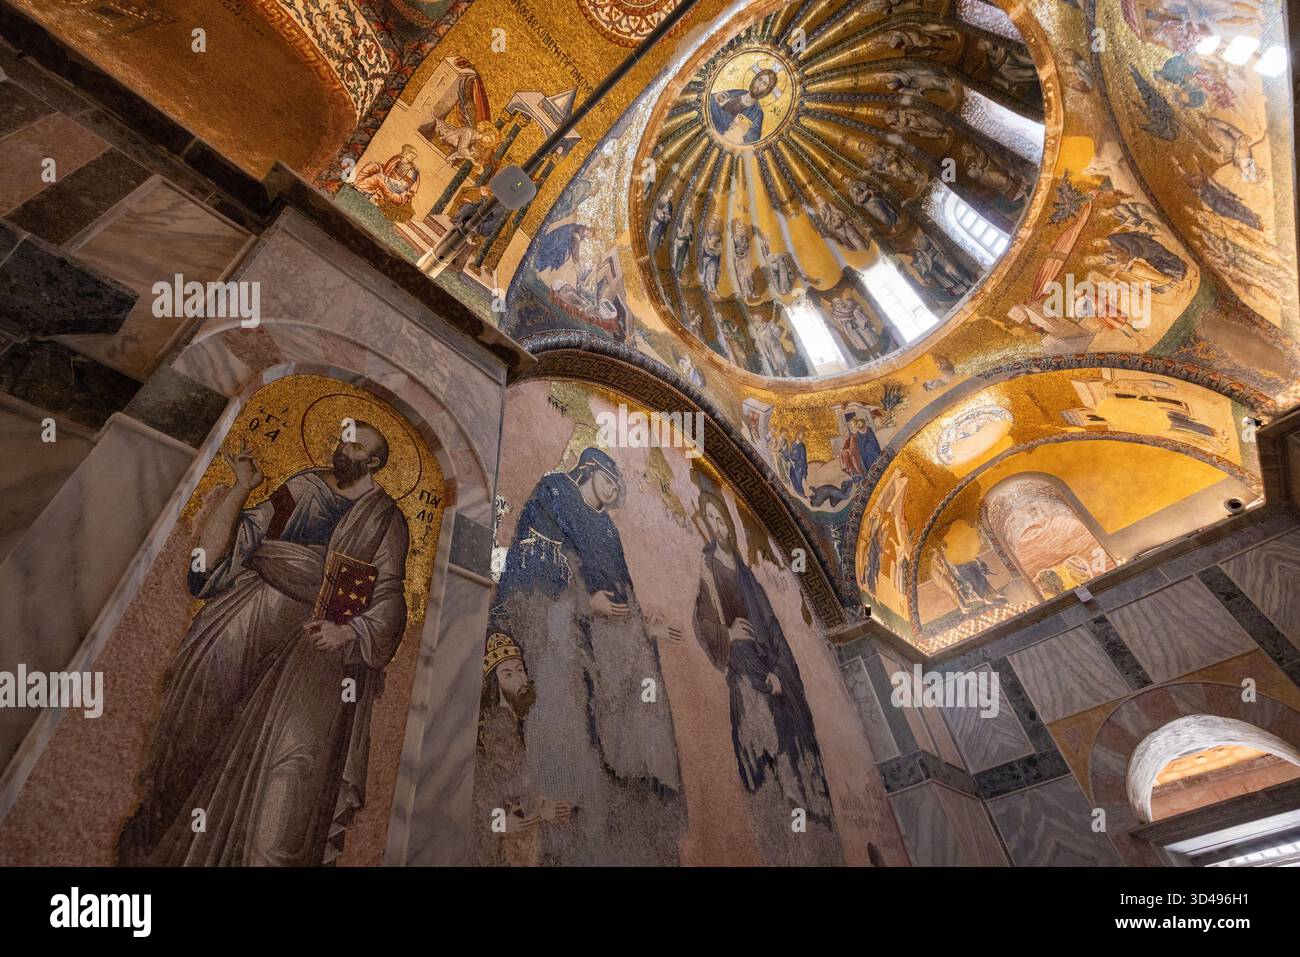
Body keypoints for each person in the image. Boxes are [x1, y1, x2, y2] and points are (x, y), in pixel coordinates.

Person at [118, 423, 410, 866]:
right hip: (249, 617)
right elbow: (241, 539)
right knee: (195, 726)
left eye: (352, 443)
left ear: (373, 462)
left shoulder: (384, 518)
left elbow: (390, 594)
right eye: (340, 436)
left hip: (317, 653)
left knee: (291, 773)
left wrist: (349, 632)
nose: (340, 446)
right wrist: (242, 487)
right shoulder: (303, 488)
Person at [491, 448, 686, 865]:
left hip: (608, 653)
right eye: (610, 479)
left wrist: (639, 625)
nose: (614, 491)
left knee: (620, 756)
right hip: (555, 640)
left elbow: (622, 598)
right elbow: (529, 569)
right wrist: (581, 602)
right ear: (590, 469)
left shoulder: (609, 532)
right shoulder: (555, 492)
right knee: (568, 744)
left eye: (618, 487)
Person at [692, 489, 840, 865]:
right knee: (762, 763)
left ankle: (810, 847)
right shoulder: (706, 569)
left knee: (793, 767)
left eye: (719, 518)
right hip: (743, 676)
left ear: (727, 521)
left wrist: (778, 671)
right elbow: (703, 621)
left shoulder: (748, 576)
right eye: (708, 520)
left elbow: (773, 628)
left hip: (771, 677)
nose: (716, 526)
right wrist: (729, 635)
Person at [709, 69, 779, 145]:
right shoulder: (737, 93)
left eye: (764, 84)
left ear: (767, 90)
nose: (759, 84)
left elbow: (753, 138)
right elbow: (710, 101)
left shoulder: (757, 113)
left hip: (721, 143)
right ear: (755, 79)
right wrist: (715, 97)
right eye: (760, 79)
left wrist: (742, 130)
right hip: (710, 130)